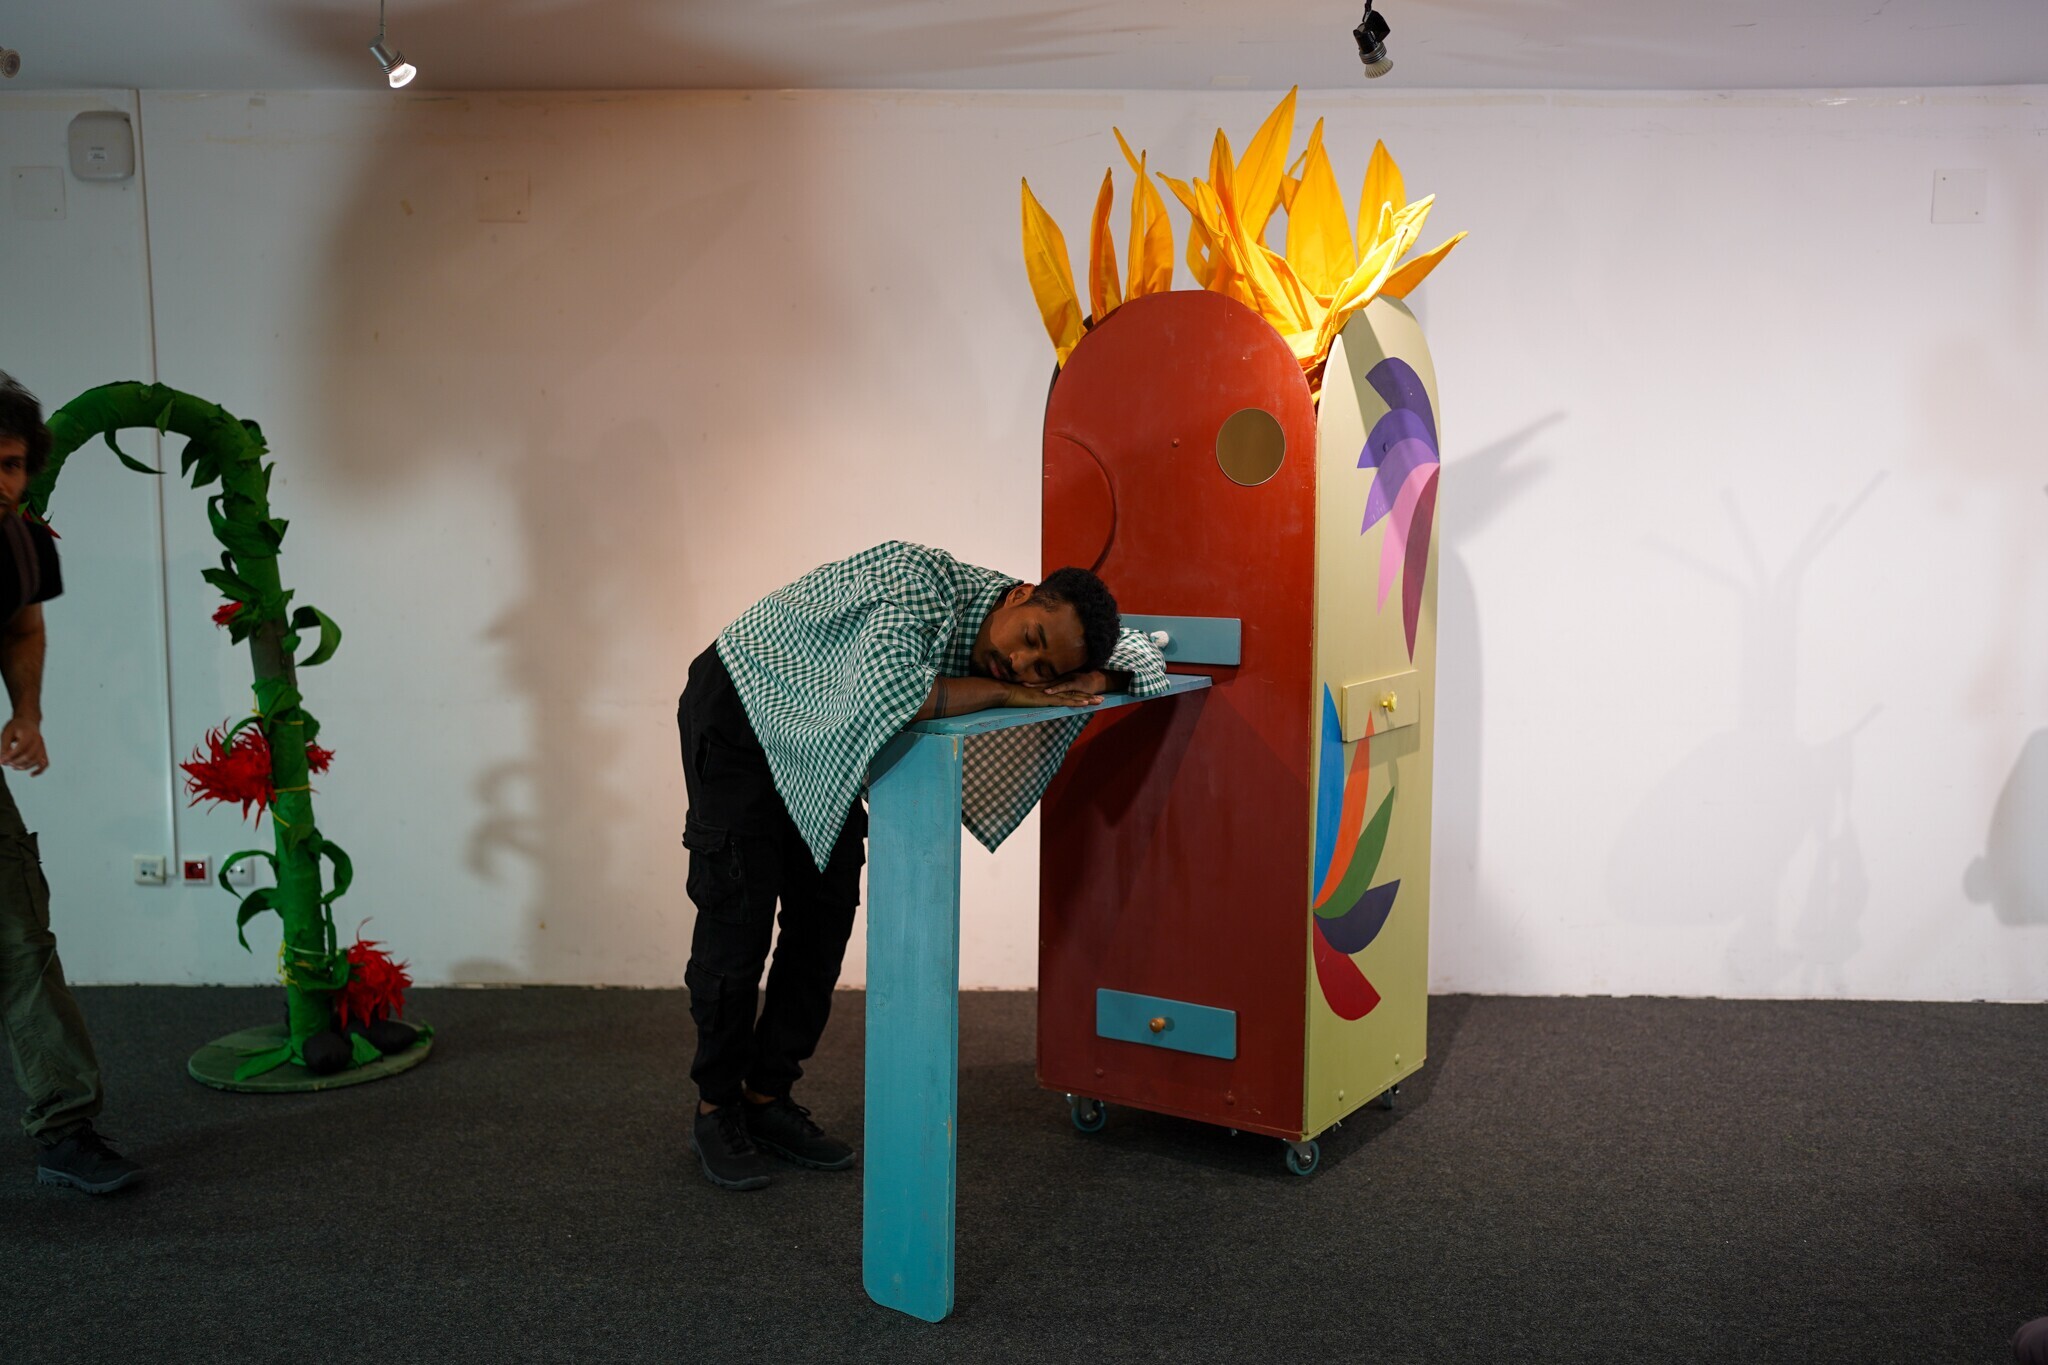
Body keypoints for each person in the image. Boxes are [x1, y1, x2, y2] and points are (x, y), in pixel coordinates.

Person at [678, 540, 1164, 1190]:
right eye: (1030, 640)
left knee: (824, 921)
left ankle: (766, 1096)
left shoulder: (1055, 623)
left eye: (1043, 668)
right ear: (1021, 593)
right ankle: (715, 1108)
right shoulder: (921, 584)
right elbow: (894, 694)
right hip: (743, 705)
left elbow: (1144, 653)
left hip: (819, 737)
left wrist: (1094, 679)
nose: (1023, 663)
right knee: (738, 920)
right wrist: (1006, 694)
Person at [0, 372, 141, 1194]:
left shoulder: (20, 541)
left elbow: (21, 624)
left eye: (12, 464)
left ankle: (65, 1128)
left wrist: (27, 711)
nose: (2, 481)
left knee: (20, 941)